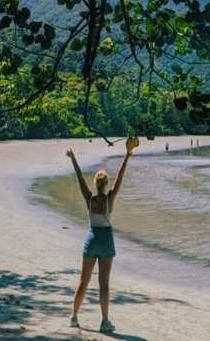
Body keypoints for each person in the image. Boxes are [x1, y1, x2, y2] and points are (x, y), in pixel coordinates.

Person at [67, 137, 138, 333]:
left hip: (91, 239)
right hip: (106, 241)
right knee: (104, 283)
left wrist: (73, 158)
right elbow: (121, 177)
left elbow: (80, 179)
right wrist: (127, 155)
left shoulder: (89, 198)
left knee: (84, 281)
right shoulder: (109, 198)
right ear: (105, 184)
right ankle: (104, 321)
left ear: (95, 183)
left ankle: (74, 316)